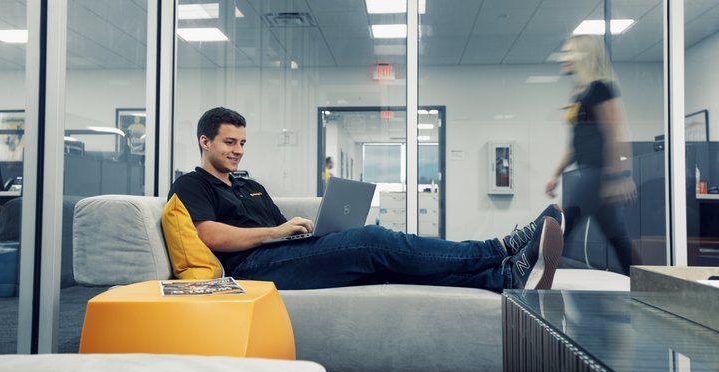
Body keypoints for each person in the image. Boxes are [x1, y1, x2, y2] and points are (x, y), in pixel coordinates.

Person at [169, 107, 565, 292]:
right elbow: (209, 236)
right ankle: (499, 248)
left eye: (242, 143)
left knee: (385, 262)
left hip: (282, 254)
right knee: (374, 240)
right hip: (251, 268)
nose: (237, 151)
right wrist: (276, 231)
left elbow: (278, 229)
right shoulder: (192, 184)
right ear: (205, 141)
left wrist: (304, 231)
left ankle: (502, 277)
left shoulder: (247, 184)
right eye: (229, 142)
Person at [545, 35, 638, 275]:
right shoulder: (580, 95)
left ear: (584, 56)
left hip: (596, 174)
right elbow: (574, 145)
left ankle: (543, 280)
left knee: (561, 230)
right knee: (617, 237)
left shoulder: (601, 88)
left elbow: (615, 133)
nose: (563, 58)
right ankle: (650, 285)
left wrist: (619, 177)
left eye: (569, 53)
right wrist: (555, 174)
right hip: (587, 171)